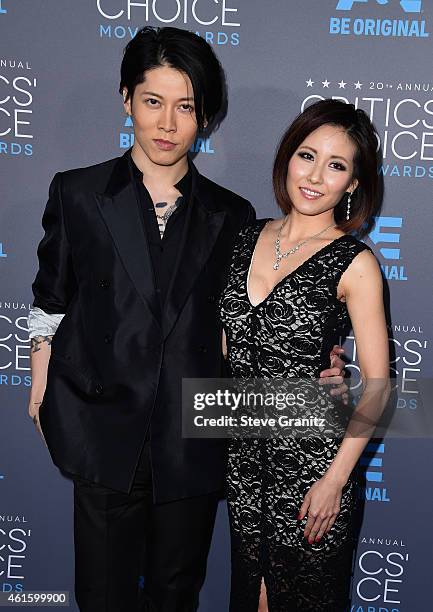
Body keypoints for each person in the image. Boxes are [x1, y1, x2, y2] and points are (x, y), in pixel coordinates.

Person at [28, 27, 346, 612]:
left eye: (186, 107)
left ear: (206, 116)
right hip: (101, 426)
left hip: (193, 436)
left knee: (177, 594)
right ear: (126, 98)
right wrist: (38, 380)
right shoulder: (77, 193)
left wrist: (318, 361)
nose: (168, 124)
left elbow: (250, 315)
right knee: (101, 595)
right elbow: (52, 297)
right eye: (153, 102)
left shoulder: (232, 214)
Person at [220, 99, 390, 611]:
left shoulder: (355, 263)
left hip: (312, 468)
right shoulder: (245, 236)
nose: (315, 176)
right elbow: (226, 351)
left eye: (336, 165)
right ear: (287, 159)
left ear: (353, 183)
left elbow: (380, 387)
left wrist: (335, 481)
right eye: (306, 156)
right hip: (244, 464)